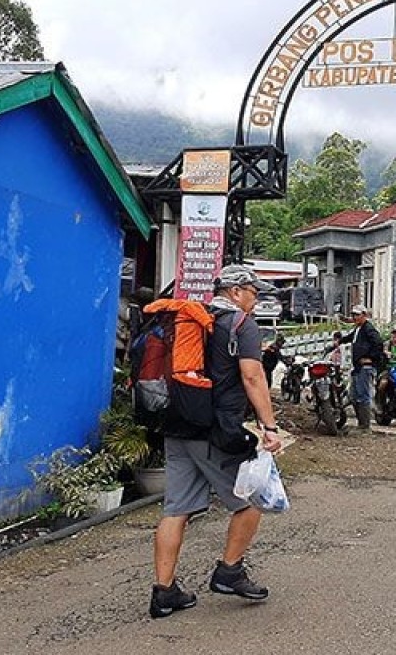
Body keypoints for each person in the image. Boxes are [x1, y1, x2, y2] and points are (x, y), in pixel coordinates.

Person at [150, 264, 284, 619]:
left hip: (178, 424)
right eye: (253, 293)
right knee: (254, 497)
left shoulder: (192, 320)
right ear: (236, 291)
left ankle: (164, 593)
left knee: (176, 510)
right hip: (215, 430)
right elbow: (252, 376)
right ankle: (229, 571)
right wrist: (270, 427)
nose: (255, 300)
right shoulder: (241, 324)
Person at [346, 305, 384, 431]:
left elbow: (378, 343)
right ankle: (361, 423)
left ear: (364, 315)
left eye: (357, 315)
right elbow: (350, 337)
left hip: (365, 367)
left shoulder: (368, 329)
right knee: (354, 395)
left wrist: (371, 358)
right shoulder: (359, 329)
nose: (355, 317)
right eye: (353, 315)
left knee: (363, 395)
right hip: (357, 366)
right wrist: (338, 342)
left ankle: (365, 425)